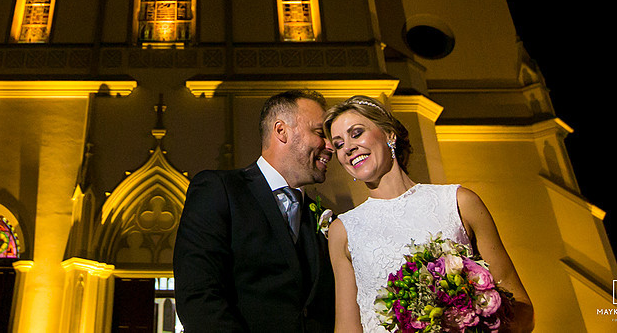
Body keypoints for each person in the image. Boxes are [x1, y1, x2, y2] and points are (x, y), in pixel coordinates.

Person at [324, 95, 534, 333]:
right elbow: (347, 328)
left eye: (357, 133)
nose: (349, 148)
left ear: (389, 134)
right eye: (339, 144)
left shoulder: (459, 202)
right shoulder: (344, 229)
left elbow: (522, 308)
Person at [173, 89, 336, 332]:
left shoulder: (321, 216)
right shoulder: (219, 190)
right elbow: (199, 296)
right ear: (281, 131)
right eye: (320, 133)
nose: (331, 146)